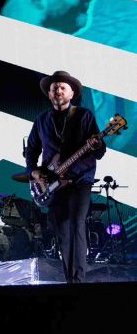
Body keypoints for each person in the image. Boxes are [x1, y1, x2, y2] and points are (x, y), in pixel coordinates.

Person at [25, 71, 106, 283]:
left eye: (62, 88)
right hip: (52, 184)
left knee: (76, 225)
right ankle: (70, 280)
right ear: (49, 94)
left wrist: (97, 145)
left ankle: (78, 281)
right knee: (62, 231)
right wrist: (33, 171)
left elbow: (99, 152)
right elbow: (31, 149)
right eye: (54, 88)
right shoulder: (41, 120)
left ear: (71, 93)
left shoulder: (84, 116)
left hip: (80, 181)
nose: (58, 91)